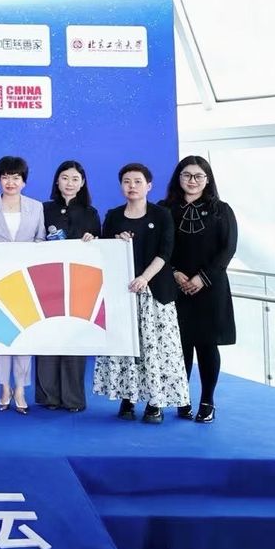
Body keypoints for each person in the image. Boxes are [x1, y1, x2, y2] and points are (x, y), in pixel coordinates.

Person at [93, 163, 188, 423]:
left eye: (137, 181)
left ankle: (155, 403)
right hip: (123, 293)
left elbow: (165, 252)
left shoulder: (162, 214)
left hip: (155, 292)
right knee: (126, 346)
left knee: (155, 349)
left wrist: (145, 278)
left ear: (149, 186)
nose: (132, 186)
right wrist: (116, 242)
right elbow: (104, 251)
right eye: (126, 181)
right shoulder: (113, 216)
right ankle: (128, 397)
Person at [164, 155, 238, 424]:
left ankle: (207, 401)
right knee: (179, 346)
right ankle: (181, 398)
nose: (192, 181)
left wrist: (202, 278)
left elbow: (228, 249)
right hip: (175, 286)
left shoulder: (221, 210)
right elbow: (158, 247)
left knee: (207, 345)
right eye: (186, 175)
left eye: (198, 176)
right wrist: (174, 273)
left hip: (210, 287)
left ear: (207, 179)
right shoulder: (165, 209)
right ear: (178, 178)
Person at [0, 155, 44, 414]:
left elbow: (41, 240)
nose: (10, 182)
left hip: (27, 281)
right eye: (5, 177)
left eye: (16, 177)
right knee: (2, 336)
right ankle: (4, 387)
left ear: (24, 181)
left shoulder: (36, 207)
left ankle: (20, 388)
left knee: (25, 336)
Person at [38, 160, 101, 413]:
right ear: (57, 181)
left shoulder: (90, 213)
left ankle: (73, 399)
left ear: (82, 183)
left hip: (79, 283)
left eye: (75, 179)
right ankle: (49, 397)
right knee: (47, 336)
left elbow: (100, 248)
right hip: (46, 281)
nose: (70, 183)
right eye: (65, 178)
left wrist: (92, 239)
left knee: (74, 340)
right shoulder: (43, 209)